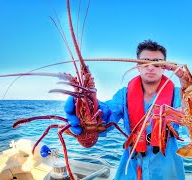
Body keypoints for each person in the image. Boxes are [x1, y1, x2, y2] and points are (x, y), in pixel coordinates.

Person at [65, 40, 185, 180]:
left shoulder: (180, 95)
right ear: (137, 66)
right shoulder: (124, 95)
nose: (151, 67)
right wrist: (87, 109)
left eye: (157, 62)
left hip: (168, 170)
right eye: (145, 62)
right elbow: (108, 113)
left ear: (164, 67)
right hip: (130, 168)